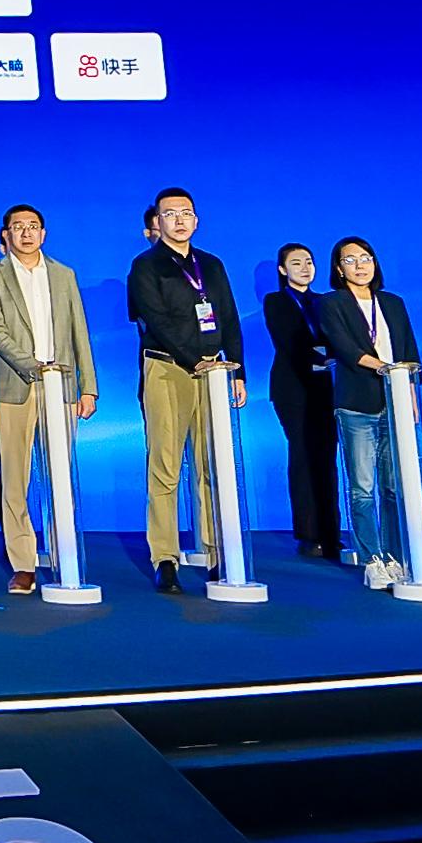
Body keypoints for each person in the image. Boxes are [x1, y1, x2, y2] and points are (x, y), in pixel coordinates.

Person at [123, 188, 247, 596]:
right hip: (167, 368)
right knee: (166, 465)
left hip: (214, 372)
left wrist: (237, 370)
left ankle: (215, 551)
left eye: (186, 213)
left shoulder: (211, 264)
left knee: (212, 464)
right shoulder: (145, 266)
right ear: (157, 222)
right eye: (170, 214)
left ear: (196, 220)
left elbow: (228, 317)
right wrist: (195, 359)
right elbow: (155, 321)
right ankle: (165, 557)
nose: (179, 220)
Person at [0, 204, 95, 596]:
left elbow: (79, 331)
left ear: (43, 233)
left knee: (60, 474)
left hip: (62, 387)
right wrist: (35, 366)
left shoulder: (64, 275)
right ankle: (23, 564)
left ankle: (64, 554)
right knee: (15, 478)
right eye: (18, 227)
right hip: (16, 386)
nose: (26, 233)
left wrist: (88, 386)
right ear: (6, 235)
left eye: (33, 226)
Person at [318, 236, 422, 588]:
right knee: (363, 488)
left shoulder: (392, 302)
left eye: (366, 258)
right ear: (339, 268)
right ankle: (371, 559)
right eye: (350, 260)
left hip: (396, 402)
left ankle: (394, 556)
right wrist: (384, 368)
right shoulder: (332, 303)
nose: (360, 265)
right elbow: (344, 348)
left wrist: (410, 394)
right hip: (356, 403)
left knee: (393, 487)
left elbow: (409, 350)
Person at [261, 243, 342, 563]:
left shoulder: (326, 301)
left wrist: (333, 357)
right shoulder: (276, 301)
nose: (305, 268)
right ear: (283, 270)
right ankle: (308, 534)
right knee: (303, 454)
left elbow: (338, 339)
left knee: (327, 456)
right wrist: (325, 357)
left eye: (309, 261)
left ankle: (331, 532)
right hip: (293, 388)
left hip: (326, 388)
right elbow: (290, 342)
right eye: (296, 263)